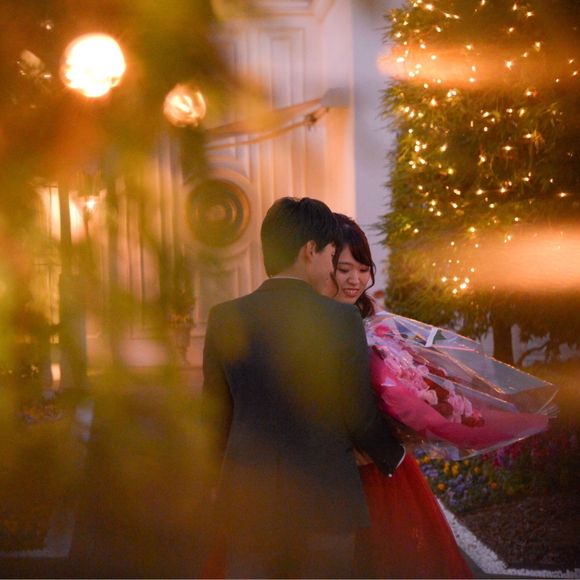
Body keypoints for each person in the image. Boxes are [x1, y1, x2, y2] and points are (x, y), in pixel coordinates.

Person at [201, 197, 405, 579]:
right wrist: (394, 454)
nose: (332, 266)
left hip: (248, 502)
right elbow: (357, 414)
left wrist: (213, 481)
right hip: (324, 502)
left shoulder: (224, 317)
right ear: (311, 250)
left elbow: (214, 416)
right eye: (331, 255)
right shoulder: (340, 319)